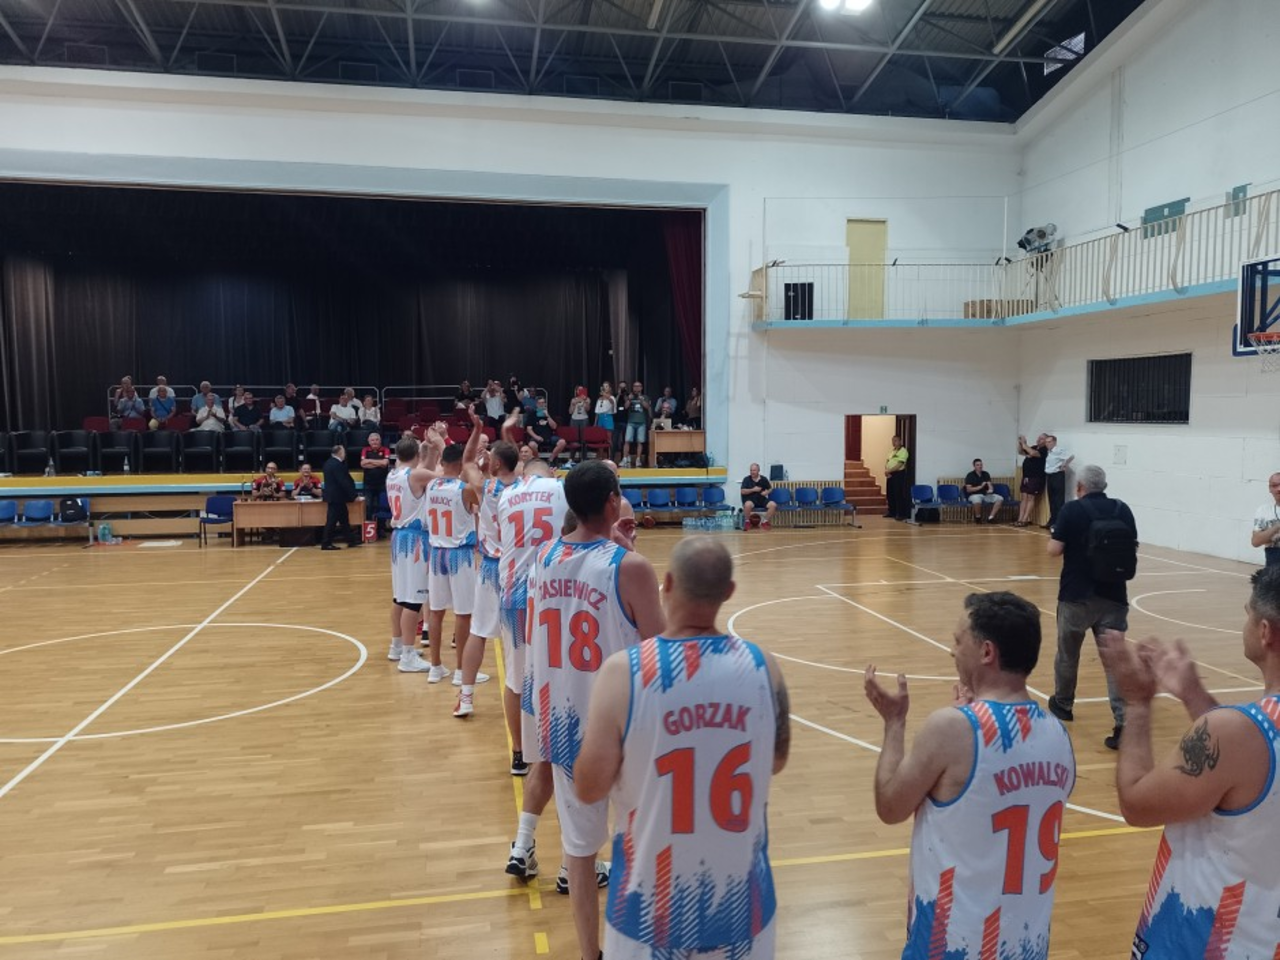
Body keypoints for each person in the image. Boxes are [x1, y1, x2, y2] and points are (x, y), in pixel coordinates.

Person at [576, 537, 790, 960]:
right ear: (729, 591)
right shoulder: (764, 666)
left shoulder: (623, 672)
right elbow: (777, 761)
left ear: (668, 583)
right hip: (741, 909)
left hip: (647, 911)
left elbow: (588, 787)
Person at [864, 592, 1074, 960]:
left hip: (955, 946)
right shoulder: (1059, 735)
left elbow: (890, 806)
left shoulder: (951, 729)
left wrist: (894, 724)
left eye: (959, 641)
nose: (952, 651)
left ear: (986, 652)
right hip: (1026, 946)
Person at [1097, 566, 1280, 960]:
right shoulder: (1242, 735)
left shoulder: (1234, 733)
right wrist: (1194, 695)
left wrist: (1137, 703)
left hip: (1209, 945)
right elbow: (1248, 766)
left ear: (1265, 631)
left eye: (1248, 614)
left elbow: (1136, 803)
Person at [523, 461, 665, 960]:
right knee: (639, 847)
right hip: (623, 732)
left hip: (564, 729)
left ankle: (591, 954)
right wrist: (629, 552)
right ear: (611, 502)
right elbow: (664, 646)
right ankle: (639, 945)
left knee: (580, 853)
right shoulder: (628, 567)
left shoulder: (543, 557)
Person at [1045, 464, 1138, 749]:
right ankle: (1123, 724)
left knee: (1068, 653)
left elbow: (1054, 550)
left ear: (1079, 487)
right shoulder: (1122, 509)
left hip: (1076, 594)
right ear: (1104, 486)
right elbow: (1133, 547)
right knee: (1114, 662)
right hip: (1114, 595)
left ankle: (1063, 703)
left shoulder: (1071, 510)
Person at [498, 458, 567, 783]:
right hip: (555, 593)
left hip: (514, 595)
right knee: (558, 672)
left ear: (523, 475)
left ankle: (519, 751)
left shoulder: (506, 494)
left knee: (515, 679)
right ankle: (558, 743)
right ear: (550, 473)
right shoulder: (561, 489)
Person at [456, 412, 516, 719]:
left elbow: (467, 461)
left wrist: (477, 427)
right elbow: (513, 460)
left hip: (492, 568)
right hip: (519, 569)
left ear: (495, 463)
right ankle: (526, 695)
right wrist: (507, 434)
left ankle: (466, 697)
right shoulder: (526, 487)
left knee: (478, 633)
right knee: (520, 639)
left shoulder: (487, 488)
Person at [387, 429, 445, 671]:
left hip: (398, 538)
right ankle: (408, 656)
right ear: (417, 455)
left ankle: (397, 645)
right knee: (413, 600)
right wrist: (440, 444)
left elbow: (425, 471)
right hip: (415, 541)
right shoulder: (416, 475)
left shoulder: (393, 474)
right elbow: (444, 475)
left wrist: (427, 449)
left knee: (400, 597)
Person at [424, 444, 480, 686]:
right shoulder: (464, 489)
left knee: (436, 612)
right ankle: (461, 671)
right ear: (460, 464)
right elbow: (484, 499)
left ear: (443, 462)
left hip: (436, 553)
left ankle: (435, 667)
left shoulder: (430, 486)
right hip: (459, 554)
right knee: (463, 613)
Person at [321, 444, 361, 550]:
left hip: (335, 497)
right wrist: (353, 495)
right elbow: (343, 481)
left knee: (344, 519)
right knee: (332, 520)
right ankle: (326, 543)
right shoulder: (337, 465)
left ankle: (350, 540)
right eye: (344, 452)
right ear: (340, 453)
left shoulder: (328, 463)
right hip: (337, 497)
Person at [360, 431, 392, 529]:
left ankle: (381, 529)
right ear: (369, 442)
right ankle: (369, 528)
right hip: (368, 484)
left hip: (382, 484)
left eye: (377, 440)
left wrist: (369, 461)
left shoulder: (385, 450)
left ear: (380, 441)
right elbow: (362, 464)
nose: (375, 442)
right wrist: (379, 463)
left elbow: (385, 464)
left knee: (382, 507)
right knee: (368, 506)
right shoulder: (365, 450)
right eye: (372, 440)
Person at [1014, 434, 1048, 527]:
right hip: (1026, 476)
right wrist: (1020, 443)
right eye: (1039, 438)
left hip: (1035, 477)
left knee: (1030, 498)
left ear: (1046, 441)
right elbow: (1021, 452)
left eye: (1042, 438)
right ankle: (1020, 519)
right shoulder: (1034, 447)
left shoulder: (1044, 450)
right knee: (1024, 498)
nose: (1039, 439)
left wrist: (1024, 444)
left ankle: (1025, 519)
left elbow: (1032, 453)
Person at [1044, 434, 1074, 531]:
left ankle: (1059, 522)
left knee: (1058, 500)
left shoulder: (1059, 450)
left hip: (1057, 475)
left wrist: (1064, 465)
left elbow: (1071, 456)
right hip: (1049, 476)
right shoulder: (1049, 452)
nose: (1047, 444)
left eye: (1049, 442)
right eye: (1046, 442)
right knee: (1051, 499)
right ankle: (1052, 520)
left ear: (1054, 442)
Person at [1249, 472, 1280, 567]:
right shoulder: (1263, 510)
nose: (1279, 489)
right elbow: (1255, 541)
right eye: (1274, 485)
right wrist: (1277, 527)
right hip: (1273, 568)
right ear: (1270, 489)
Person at [526, 396, 567, 462]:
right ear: (536, 404)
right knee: (531, 445)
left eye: (543, 403)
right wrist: (536, 437)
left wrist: (547, 416)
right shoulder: (532, 415)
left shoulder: (549, 414)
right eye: (540, 403)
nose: (541, 404)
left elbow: (554, 427)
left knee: (562, 442)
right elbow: (529, 429)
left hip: (549, 436)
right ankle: (538, 460)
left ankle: (551, 459)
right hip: (537, 436)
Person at [963, 457, 1003, 523]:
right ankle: (978, 517)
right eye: (978, 465)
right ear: (974, 466)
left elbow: (990, 485)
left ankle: (991, 517)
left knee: (1000, 498)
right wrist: (981, 487)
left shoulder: (986, 474)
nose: (980, 466)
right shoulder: (970, 475)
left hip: (985, 494)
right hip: (974, 495)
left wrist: (990, 489)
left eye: (981, 465)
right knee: (977, 499)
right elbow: (969, 490)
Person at [622, 381, 651, 468]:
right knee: (627, 440)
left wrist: (642, 400)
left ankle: (638, 459)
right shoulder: (630, 396)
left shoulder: (645, 397)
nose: (636, 388)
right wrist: (629, 399)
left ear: (641, 388)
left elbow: (647, 407)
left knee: (640, 441)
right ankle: (625, 459)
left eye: (638, 386)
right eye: (635, 386)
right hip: (631, 422)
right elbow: (625, 407)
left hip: (641, 422)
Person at [741, 462, 777, 529]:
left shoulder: (763, 479)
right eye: (751, 470)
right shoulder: (746, 479)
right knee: (747, 504)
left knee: (773, 505)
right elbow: (742, 491)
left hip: (761, 499)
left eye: (754, 470)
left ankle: (765, 522)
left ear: (758, 471)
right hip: (750, 499)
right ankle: (747, 522)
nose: (752, 472)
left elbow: (770, 489)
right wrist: (753, 490)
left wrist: (766, 492)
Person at [885, 435, 910, 522]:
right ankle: (892, 511)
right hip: (890, 474)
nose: (894, 442)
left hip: (898, 474)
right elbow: (887, 461)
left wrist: (889, 471)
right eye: (892, 441)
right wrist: (887, 471)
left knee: (898, 494)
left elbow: (900, 464)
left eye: (895, 441)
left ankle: (900, 513)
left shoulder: (903, 451)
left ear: (900, 441)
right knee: (890, 494)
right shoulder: (892, 452)